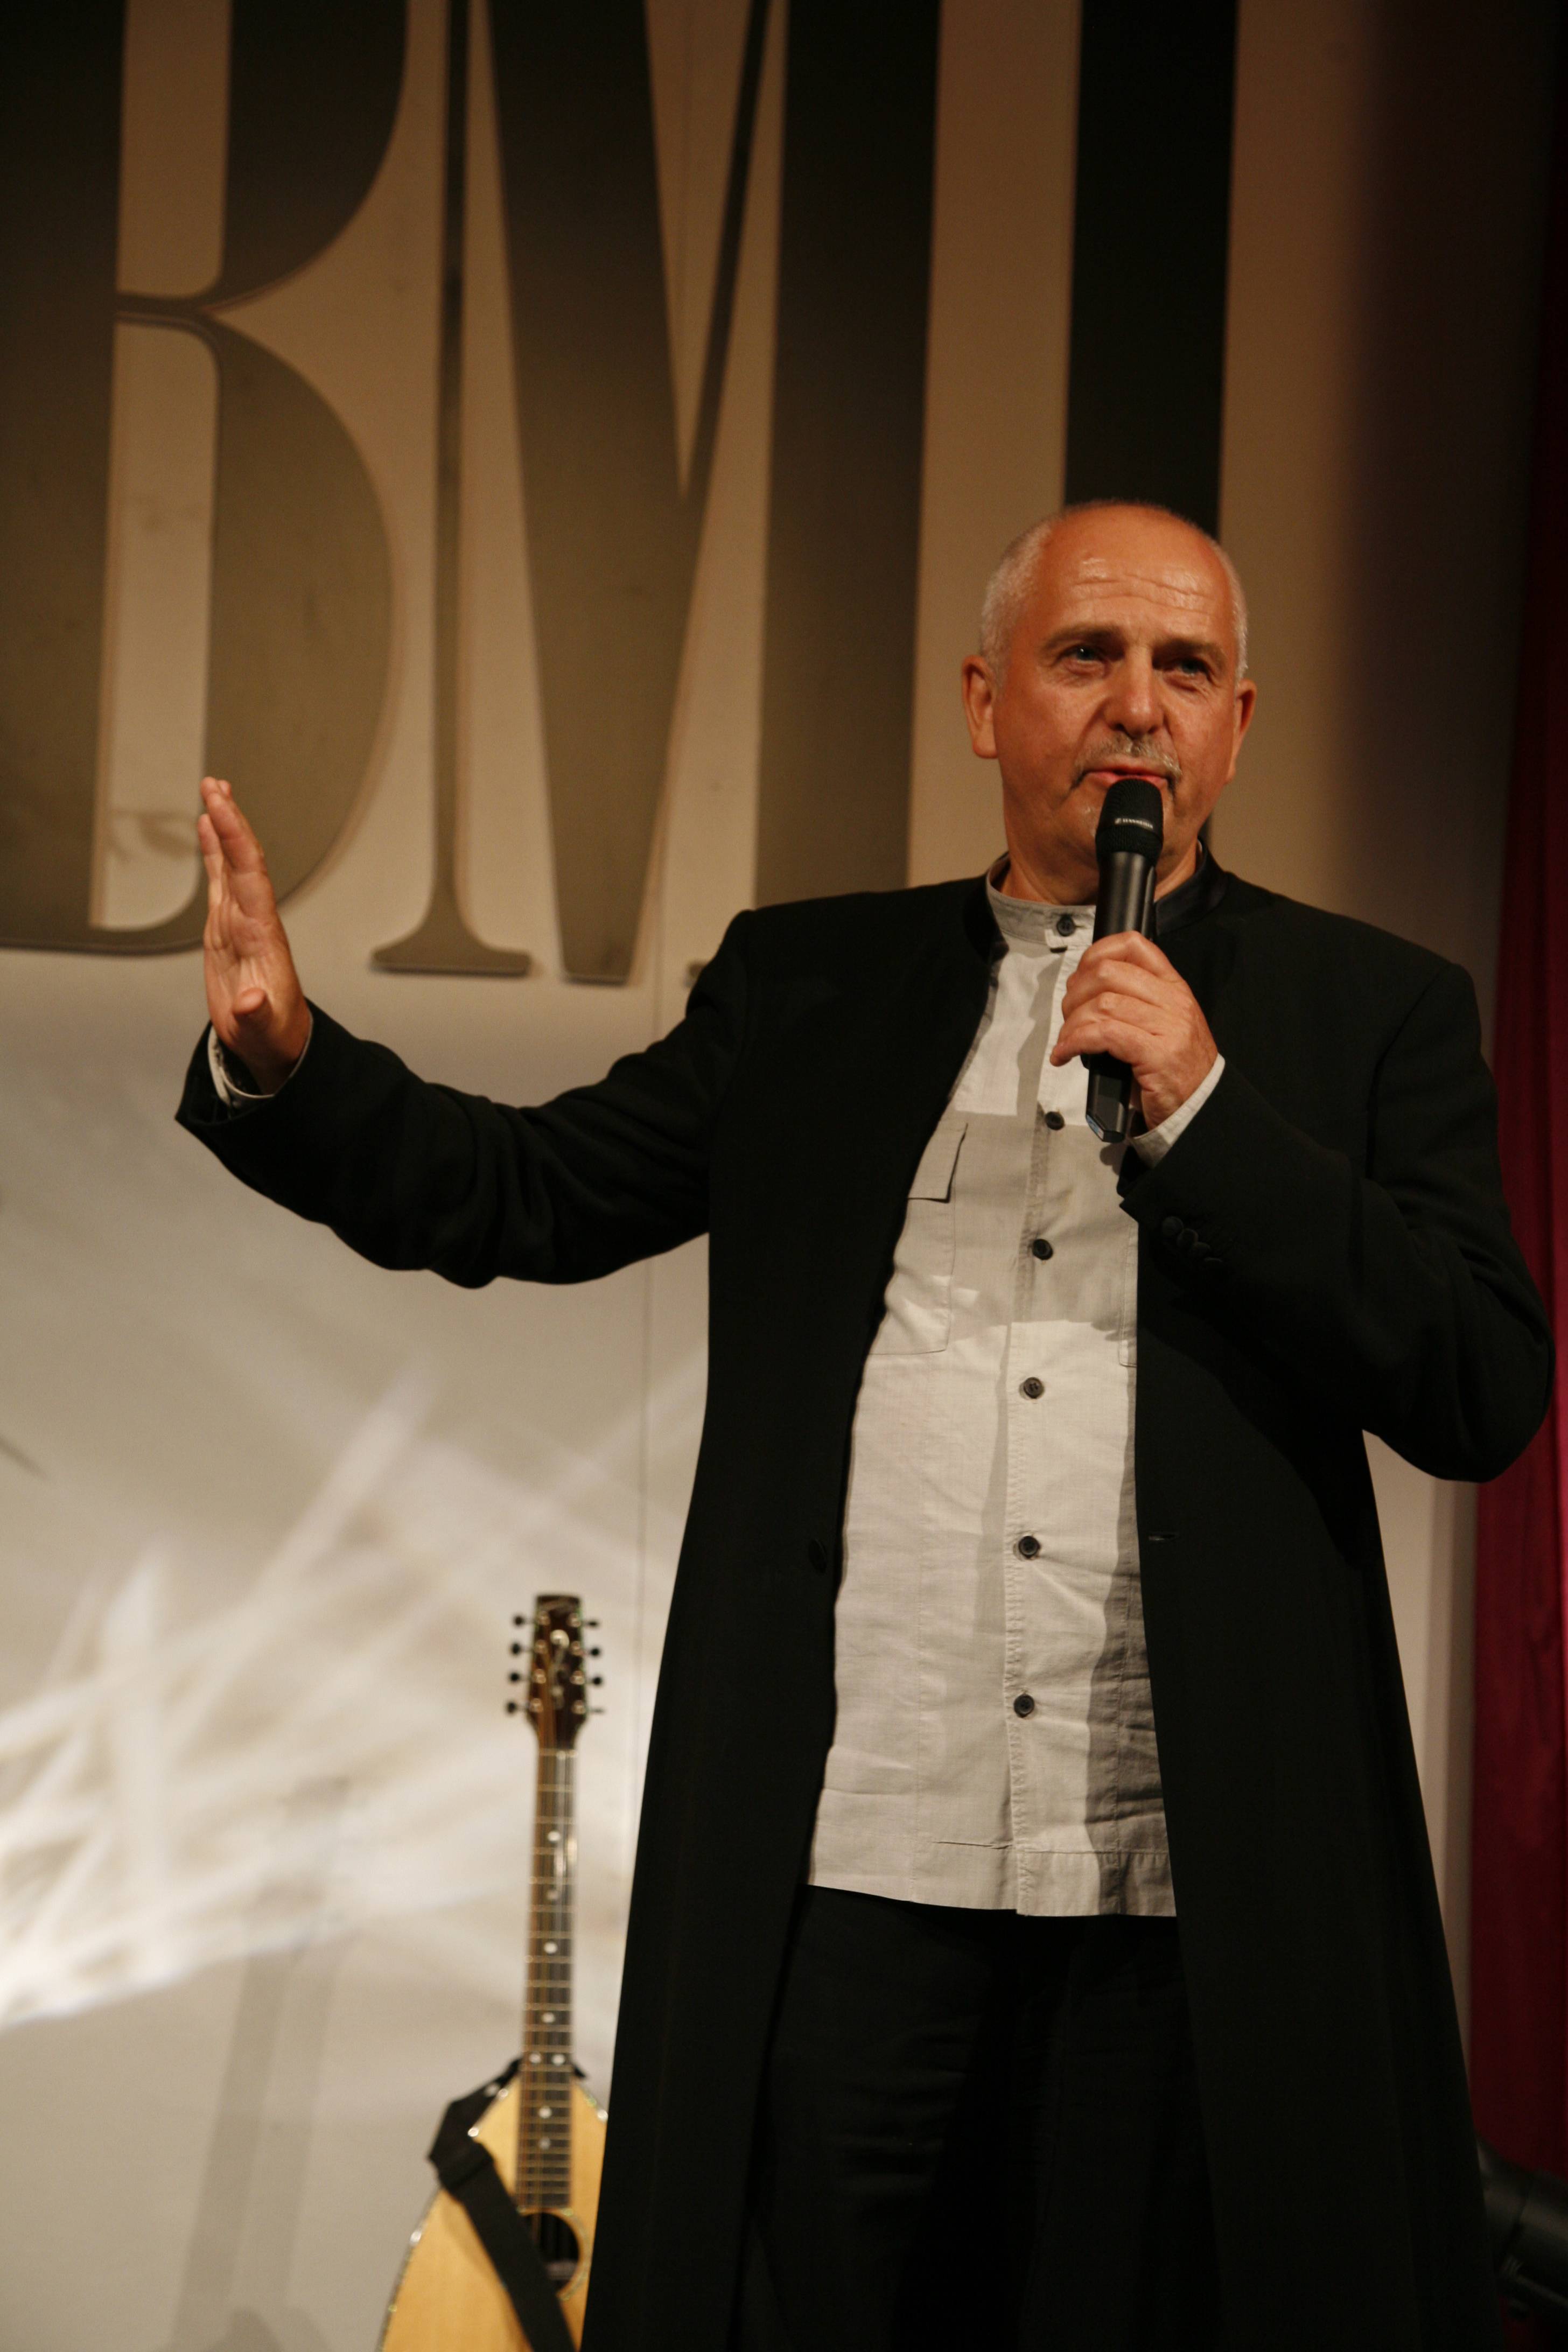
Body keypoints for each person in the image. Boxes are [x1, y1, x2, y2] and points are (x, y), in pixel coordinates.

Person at [178, 502, 1550, 2351]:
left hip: (1180, 1911)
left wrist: (1212, 1114)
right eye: (1087, 655)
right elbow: (528, 1191)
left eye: (1186, 668)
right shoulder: (810, 988)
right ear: (986, 701)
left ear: (1238, 725)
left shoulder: (1369, 1015)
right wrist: (287, 1062)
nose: (1137, 706)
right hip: (856, 1880)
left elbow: (1479, 1380)